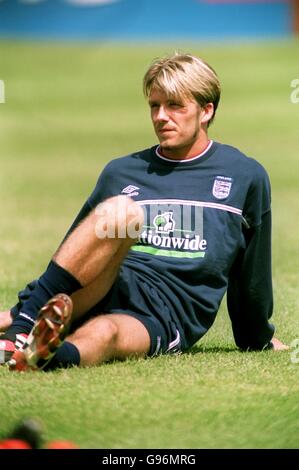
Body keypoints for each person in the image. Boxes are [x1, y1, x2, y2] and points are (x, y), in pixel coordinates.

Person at [0, 53, 288, 371]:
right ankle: (19, 330)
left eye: (175, 105)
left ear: (206, 110)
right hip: (110, 284)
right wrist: (25, 308)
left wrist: (256, 337)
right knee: (123, 212)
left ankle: (39, 358)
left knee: (105, 332)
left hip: (167, 312)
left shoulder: (244, 175)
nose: (161, 116)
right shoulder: (122, 172)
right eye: (155, 105)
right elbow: (71, 261)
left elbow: (252, 276)